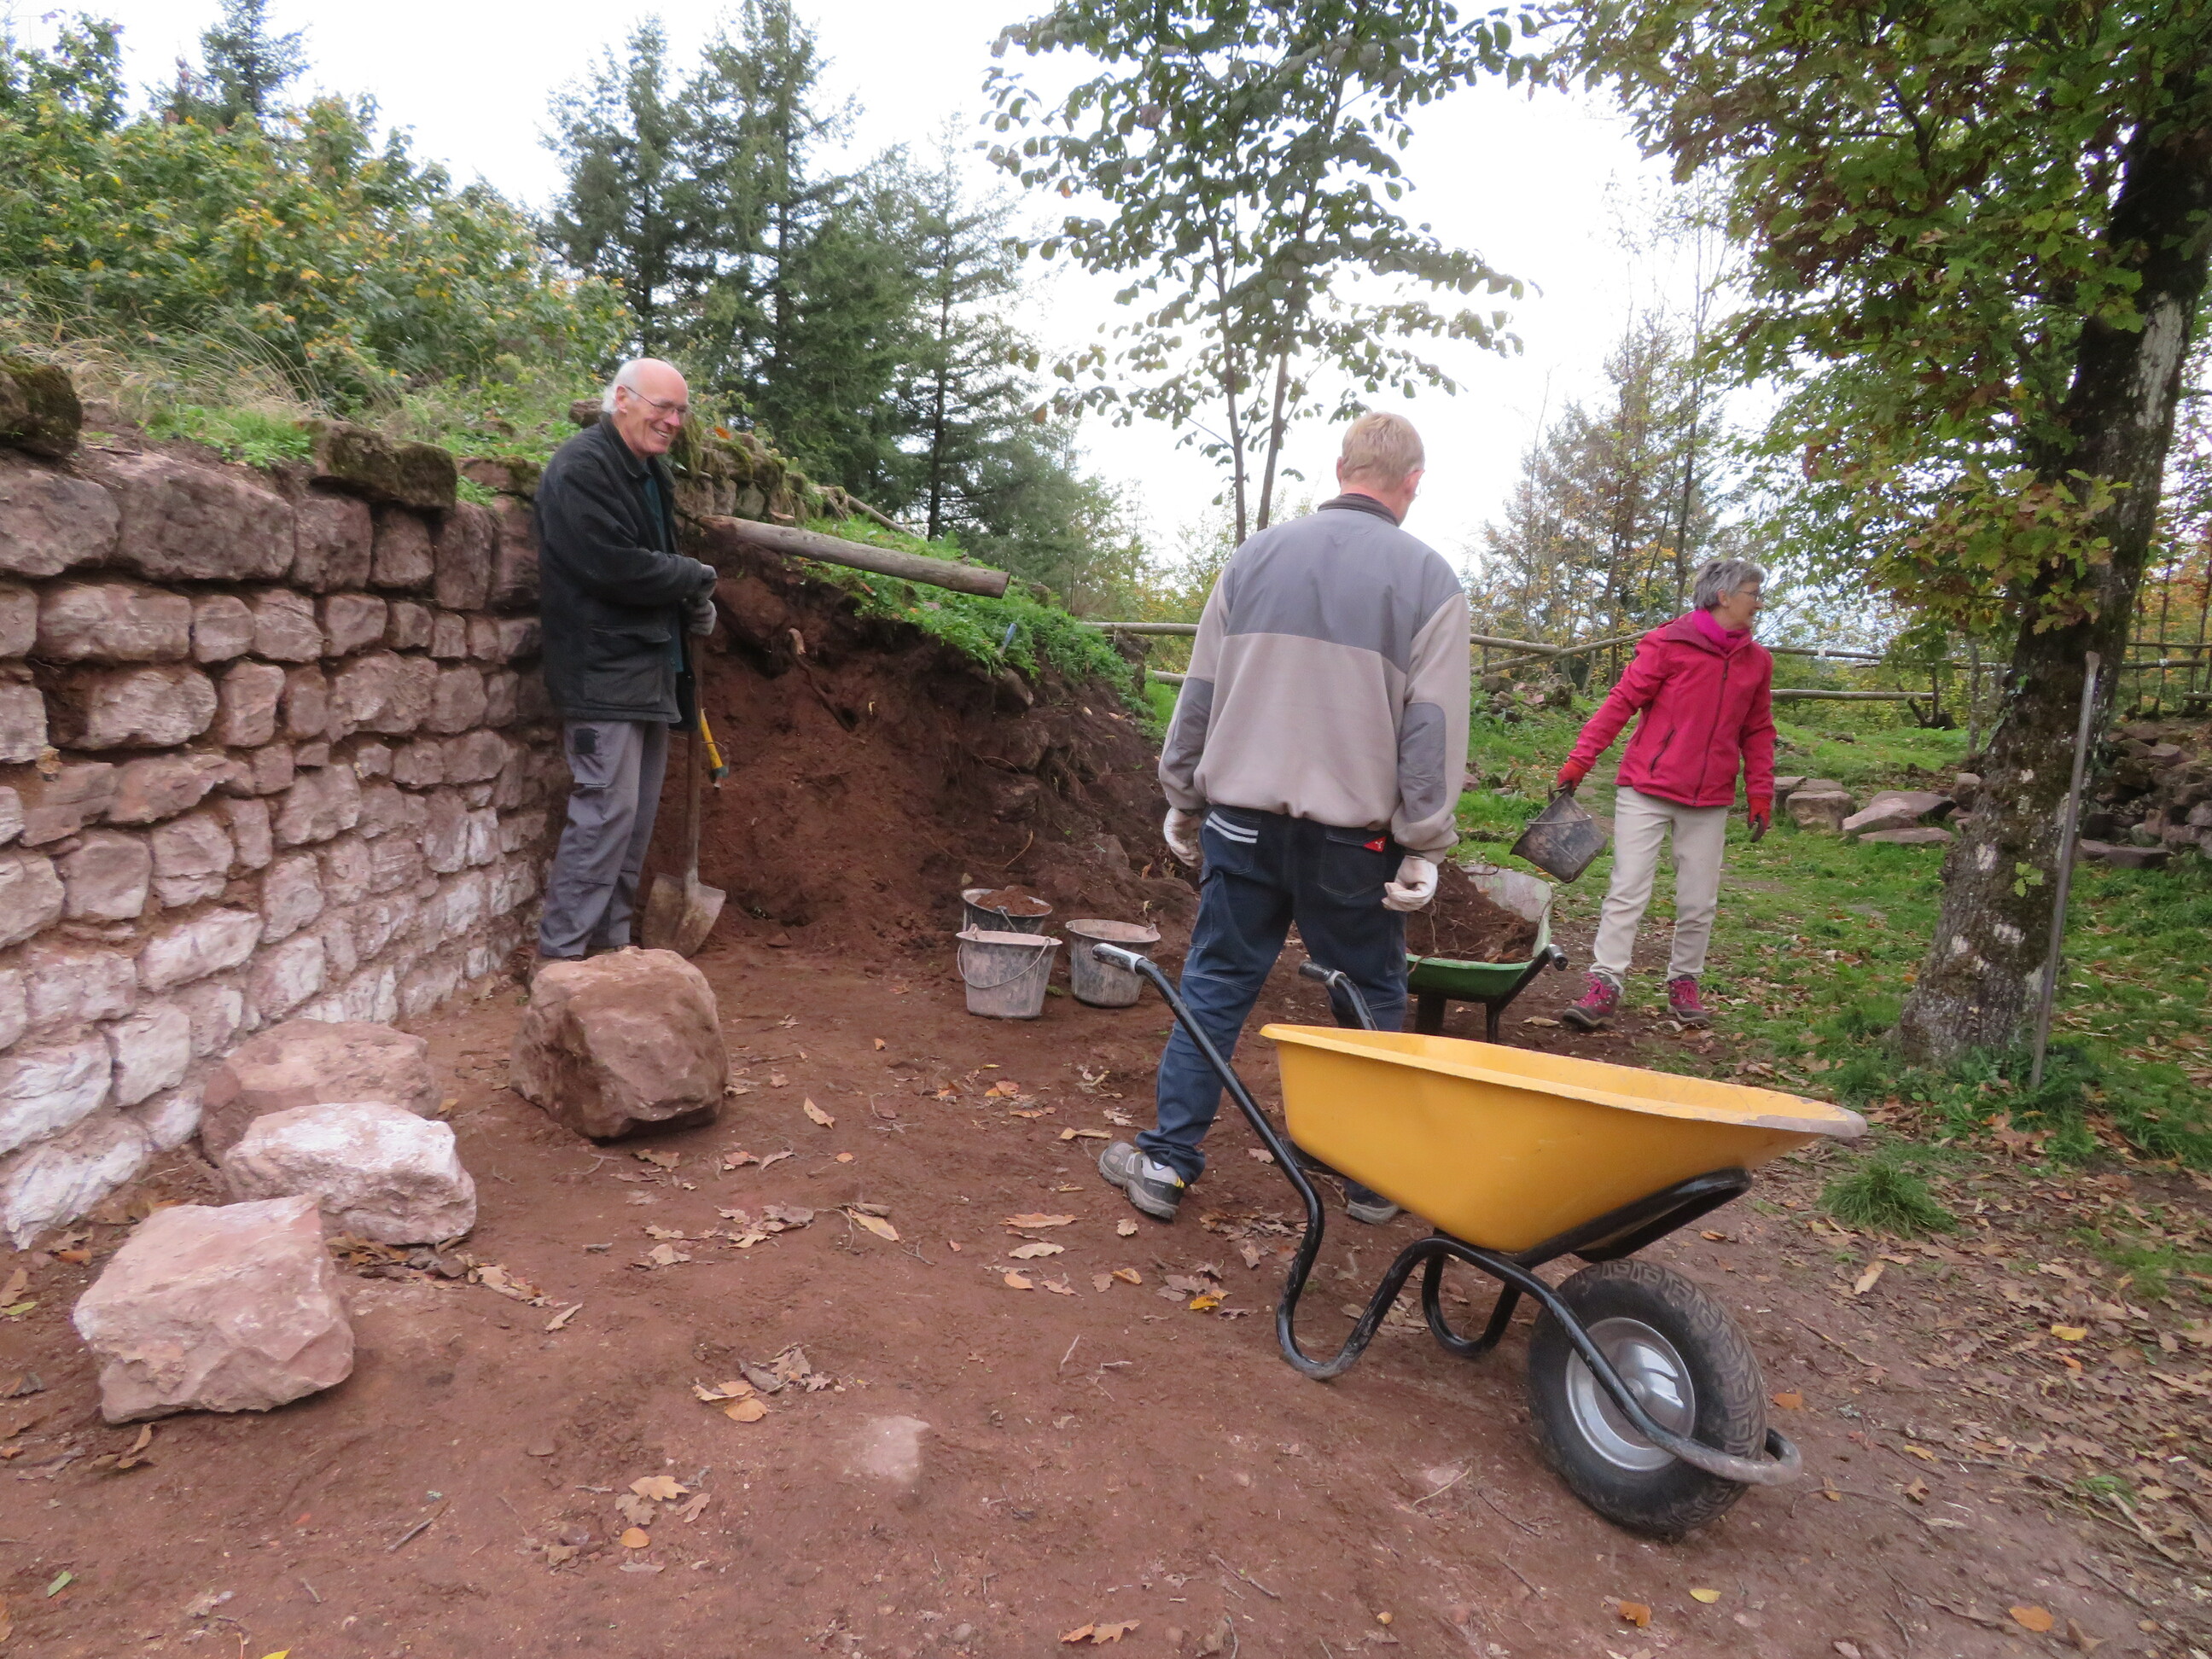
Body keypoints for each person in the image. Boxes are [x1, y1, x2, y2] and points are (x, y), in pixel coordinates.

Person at [1098, 412, 1471, 1225]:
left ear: (1340, 468)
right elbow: (1432, 729)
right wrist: (1422, 842)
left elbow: (1199, 691)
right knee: (1368, 992)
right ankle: (1372, 1179)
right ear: (1413, 483)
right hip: (1355, 840)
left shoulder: (1254, 557)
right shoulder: (1430, 581)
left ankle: (1165, 1162)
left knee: (1216, 982)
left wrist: (1182, 795)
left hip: (1242, 822)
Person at [534, 358, 722, 963]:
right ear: (621, 399)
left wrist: (690, 608)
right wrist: (691, 576)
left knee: (632, 823)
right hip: (601, 670)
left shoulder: (649, 472)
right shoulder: (582, 469)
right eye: (662, 407)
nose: (673, 422)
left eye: (680, 411)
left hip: (648, 669)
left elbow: (654, 562)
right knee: (604, 816)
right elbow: (612, 565)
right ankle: (560, 959)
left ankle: (611, 949)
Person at [1553, 557, 1776, 1031]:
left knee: (1698, 901)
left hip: (1710, 798)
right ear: (1723, 596)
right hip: (1646, 789)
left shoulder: (1757, 662)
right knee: (1628, 890)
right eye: (1753, 594)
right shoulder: (1669, 643)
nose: (1759, 603)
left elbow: (1758, 731)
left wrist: (1761, 793)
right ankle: (1605, 982)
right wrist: (1580, 760)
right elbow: (1621, 702)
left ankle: (1684, 982)